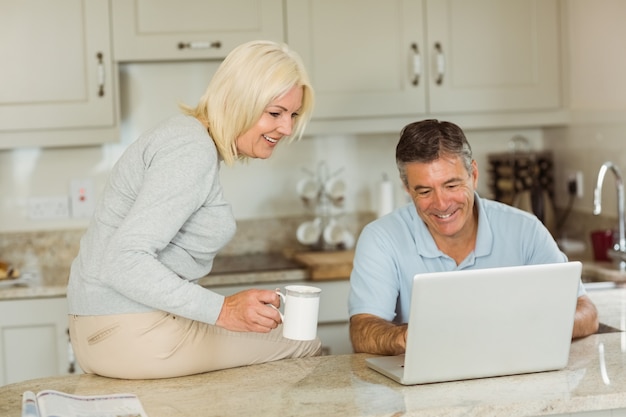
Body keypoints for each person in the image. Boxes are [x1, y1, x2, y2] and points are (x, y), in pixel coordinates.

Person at [67, 40, 321, 379]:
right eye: (275, 113)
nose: (287, 129)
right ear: (236, 100)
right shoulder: (191, 148)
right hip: (128, 331)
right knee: (301, 342)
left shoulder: (186, 139)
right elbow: (124, 260)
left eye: (293, 115)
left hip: (108, 330)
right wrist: (223, 310)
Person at [348, 119, 599, 356]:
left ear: (474, 175)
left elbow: (585, 312)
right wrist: (407, 337)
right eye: (424, 191)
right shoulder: (380, 239)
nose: (442, 204)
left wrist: (521, 329)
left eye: (452, 186)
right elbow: (362, 330)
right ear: (407, 188)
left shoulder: (525, 230)